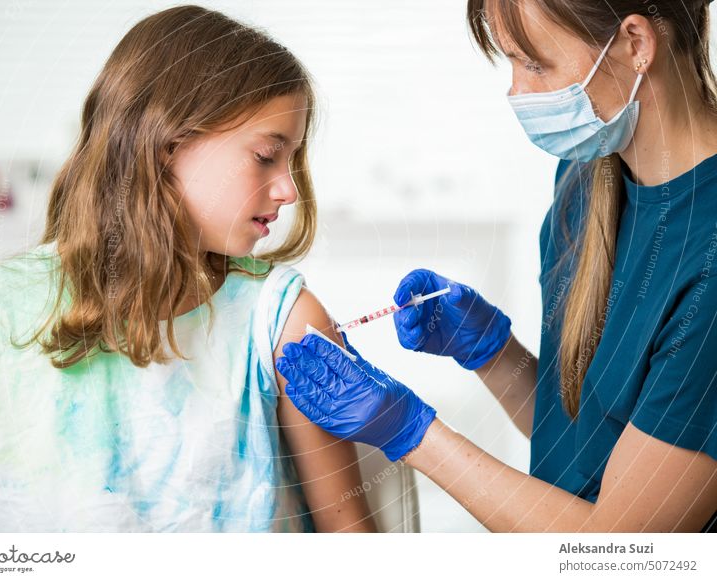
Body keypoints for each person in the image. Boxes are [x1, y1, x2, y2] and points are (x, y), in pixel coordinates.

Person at [0, 5, 376, 533]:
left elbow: (350, 542)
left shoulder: (280, 322)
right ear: (166, 145)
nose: (288, 189)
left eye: (291, 160)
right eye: (266, 156)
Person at [277, 0, 717, 532]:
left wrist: (409, 432)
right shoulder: (584, 183)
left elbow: (620, 550)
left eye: (535, 64)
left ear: (636, 43)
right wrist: (492, 354)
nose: (517, 92)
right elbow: (587, 447)